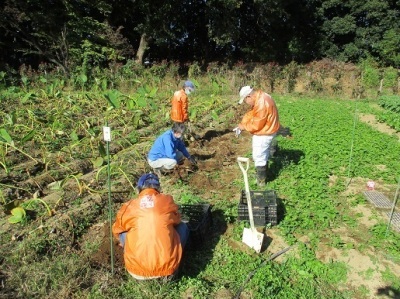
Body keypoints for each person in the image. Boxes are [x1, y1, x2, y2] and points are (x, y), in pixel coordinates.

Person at [112, 173, 190, 280]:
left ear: (139, 189)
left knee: (123, 232)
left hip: (136, 272)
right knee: (183, 227)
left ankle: (134, 255)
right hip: (166, 271)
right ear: (158, 188)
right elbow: (177, 220)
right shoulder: (166, 200)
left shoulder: (129, 206)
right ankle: (175, 263)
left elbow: (117, 230)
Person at [234, 86, 281, 186]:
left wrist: (243, 127)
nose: (246, 103)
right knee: (264, 154)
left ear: (249, 96)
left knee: (258, 156)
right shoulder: (262, 96)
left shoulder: (261, 103)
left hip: (265, 132)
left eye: (246, 100)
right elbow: (252, 113)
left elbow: (256, 125)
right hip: (270, 129)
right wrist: (243, 123)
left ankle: (261, 182)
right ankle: (265, 174)